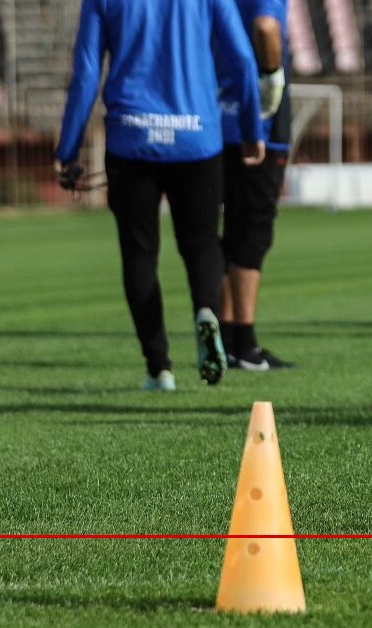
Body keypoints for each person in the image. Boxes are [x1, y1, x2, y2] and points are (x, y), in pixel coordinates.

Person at [56, 0, 266, 391]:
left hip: (131, 138)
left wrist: (68, 149)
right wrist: (252, 129)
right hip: (197, 138)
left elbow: (86, 71)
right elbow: (241, 57)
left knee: (139, 254)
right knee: (203, 243)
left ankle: (158, 368)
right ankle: (206, 311)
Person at [217, 0, 294, 371]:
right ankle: (244, 345)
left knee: (224, 232)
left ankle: (225, 341)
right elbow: (266, 26)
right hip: (257, 122)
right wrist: (272, 78)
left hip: (213, 116)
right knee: (253, 231)